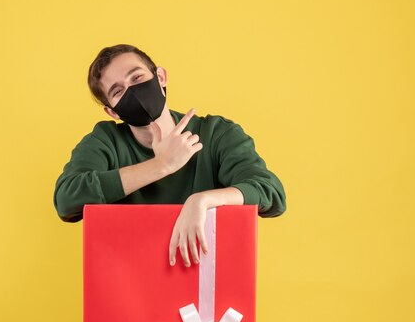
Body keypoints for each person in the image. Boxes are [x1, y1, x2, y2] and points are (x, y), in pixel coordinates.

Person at [54, 44, 286, 267]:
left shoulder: (217, 133)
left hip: (207, 280)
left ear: (161, 77)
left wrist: (202, 201)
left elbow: (270, 192)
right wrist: (161, 165)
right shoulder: (105, 141)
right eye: (118, 91)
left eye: (137, 78)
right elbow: (66, 199)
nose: (132, 91)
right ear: (112, 111)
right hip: (129, 283)